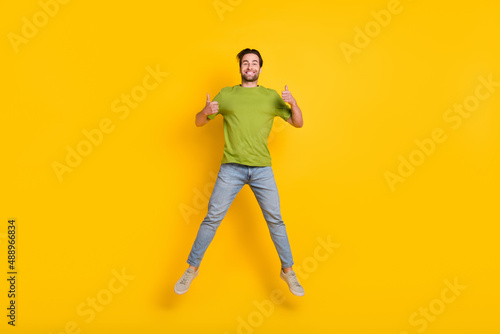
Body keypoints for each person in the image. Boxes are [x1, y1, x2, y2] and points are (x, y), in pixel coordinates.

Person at [175, 48, 304, 296]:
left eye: (254, 63)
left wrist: (294, 104)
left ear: (260, 68)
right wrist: (205, 112)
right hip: (231, 168)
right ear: (241, 67)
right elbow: (198, 122)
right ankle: (192, 269)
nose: (250, 66)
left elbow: (297, 122)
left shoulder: (271, 97)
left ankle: (288, 272)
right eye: (246, 63)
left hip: (261, 169)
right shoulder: (227, 95)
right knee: (212, 219)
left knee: (275, 220)